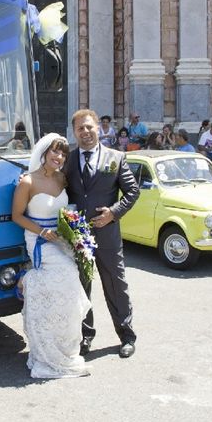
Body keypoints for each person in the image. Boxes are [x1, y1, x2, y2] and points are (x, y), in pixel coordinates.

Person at [11, 133, 90, 378]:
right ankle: (27, 280)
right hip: (38, 239)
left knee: (69, 288)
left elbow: (67, 209)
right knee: (63, 278)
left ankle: (63, 350)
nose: (59, 157)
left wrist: (75, 230)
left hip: (60, 239)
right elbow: (17, 216)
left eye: (63, 153)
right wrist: (42, 231)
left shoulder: (62, 179)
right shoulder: (27, 181)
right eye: (55, 152)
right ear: (44, 153)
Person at [64, 110, 140, 359]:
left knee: (116, 285)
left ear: (98, 128)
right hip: (78, 236)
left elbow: (132, 192)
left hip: (107, 235)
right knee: (81, 288)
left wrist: (113, 212)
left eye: (89, 127)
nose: (85, 132)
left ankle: (126, 335)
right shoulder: (68, 161)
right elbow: (53, 185)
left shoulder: (116, 158)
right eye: (80, 129)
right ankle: (85, 336)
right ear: (74, 133)